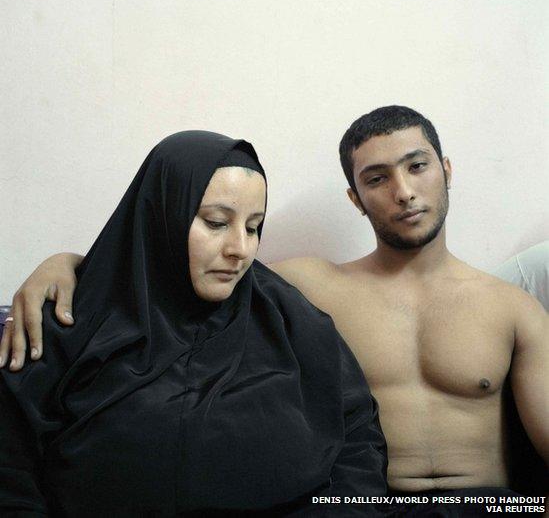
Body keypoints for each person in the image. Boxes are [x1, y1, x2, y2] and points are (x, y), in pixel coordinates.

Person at [3, 106, 548, 511]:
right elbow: (152, 263)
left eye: (417, 166)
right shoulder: (306, 288)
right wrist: (69, 264)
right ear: (355, 198)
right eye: (377, 178)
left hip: (493, 505)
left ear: (446, 169)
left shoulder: (514, 308)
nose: (403, 192)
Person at [0, 131, 387, 516]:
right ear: (161, 214)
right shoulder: (66, 318)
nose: (240, 249)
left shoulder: (288, 319)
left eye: (253, 227)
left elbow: (358, 444)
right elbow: (11, 471)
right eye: (217, 222)